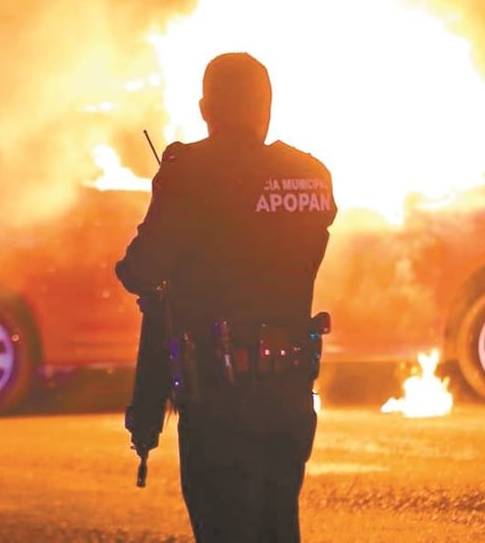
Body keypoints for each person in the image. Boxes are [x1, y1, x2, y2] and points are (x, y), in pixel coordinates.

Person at [116, 52, 337, 542]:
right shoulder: (312, 175)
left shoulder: (190, 171)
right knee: (279, 525)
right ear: (268, 107)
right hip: (289, 395)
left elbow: (141, 270)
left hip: (220, 397)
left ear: (204, 109)